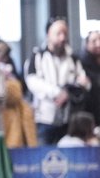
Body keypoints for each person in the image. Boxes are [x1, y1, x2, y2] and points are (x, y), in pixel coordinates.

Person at [25, 17, 91, 145]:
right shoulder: (38, 56)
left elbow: (84, 82)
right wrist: (57, 92)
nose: (62, 38)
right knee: (44, 153)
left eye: (65, 33)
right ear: (48, 34)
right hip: (44, 117)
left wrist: (68, 92)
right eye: (58, 33)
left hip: (68, 118)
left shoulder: (73, 58)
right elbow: (32, 81)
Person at [78, 30, 100, 125]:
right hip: (90, 110)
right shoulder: (81, 62)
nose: (98, 44)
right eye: (94, 41)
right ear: (87, 44)